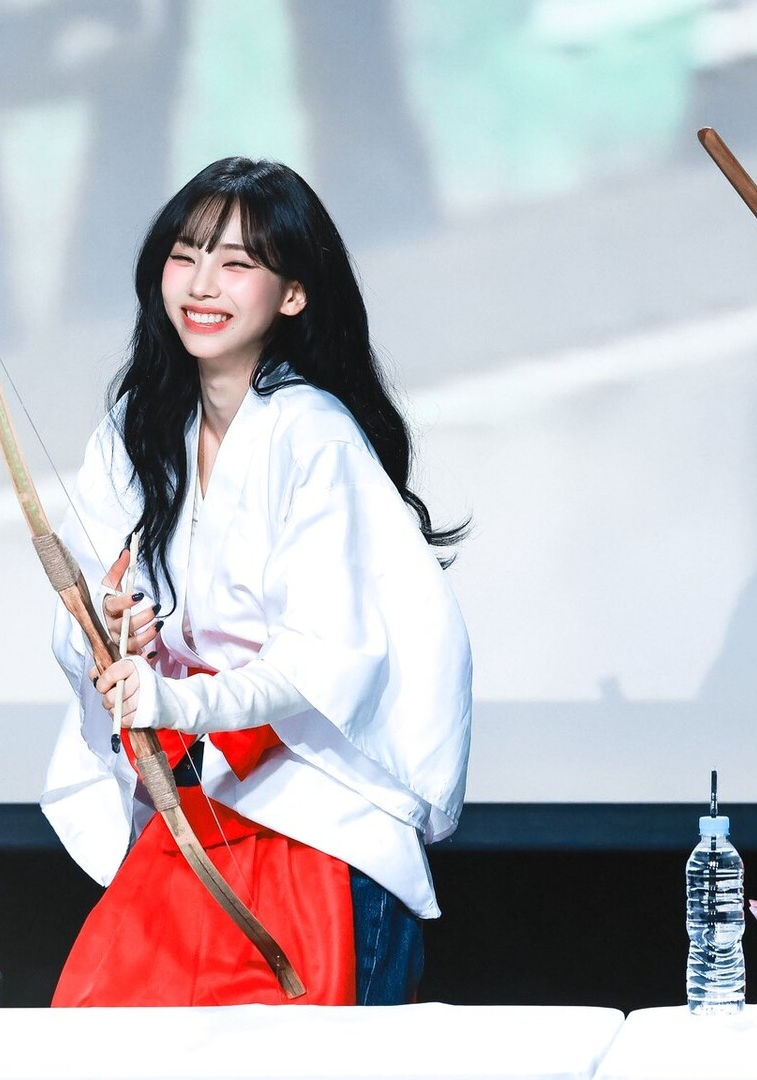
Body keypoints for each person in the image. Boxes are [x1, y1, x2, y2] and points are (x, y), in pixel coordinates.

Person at [41, 157, 472, 1006]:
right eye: (185, 255)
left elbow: (322, 663)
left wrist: (174, 699)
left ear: (293, 294)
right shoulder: (138, 428)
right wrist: (113, 631)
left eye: (237, 263)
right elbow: (80, 608)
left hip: (318, 817)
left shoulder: (314, 435)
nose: (202, 284)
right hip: (198, 812)